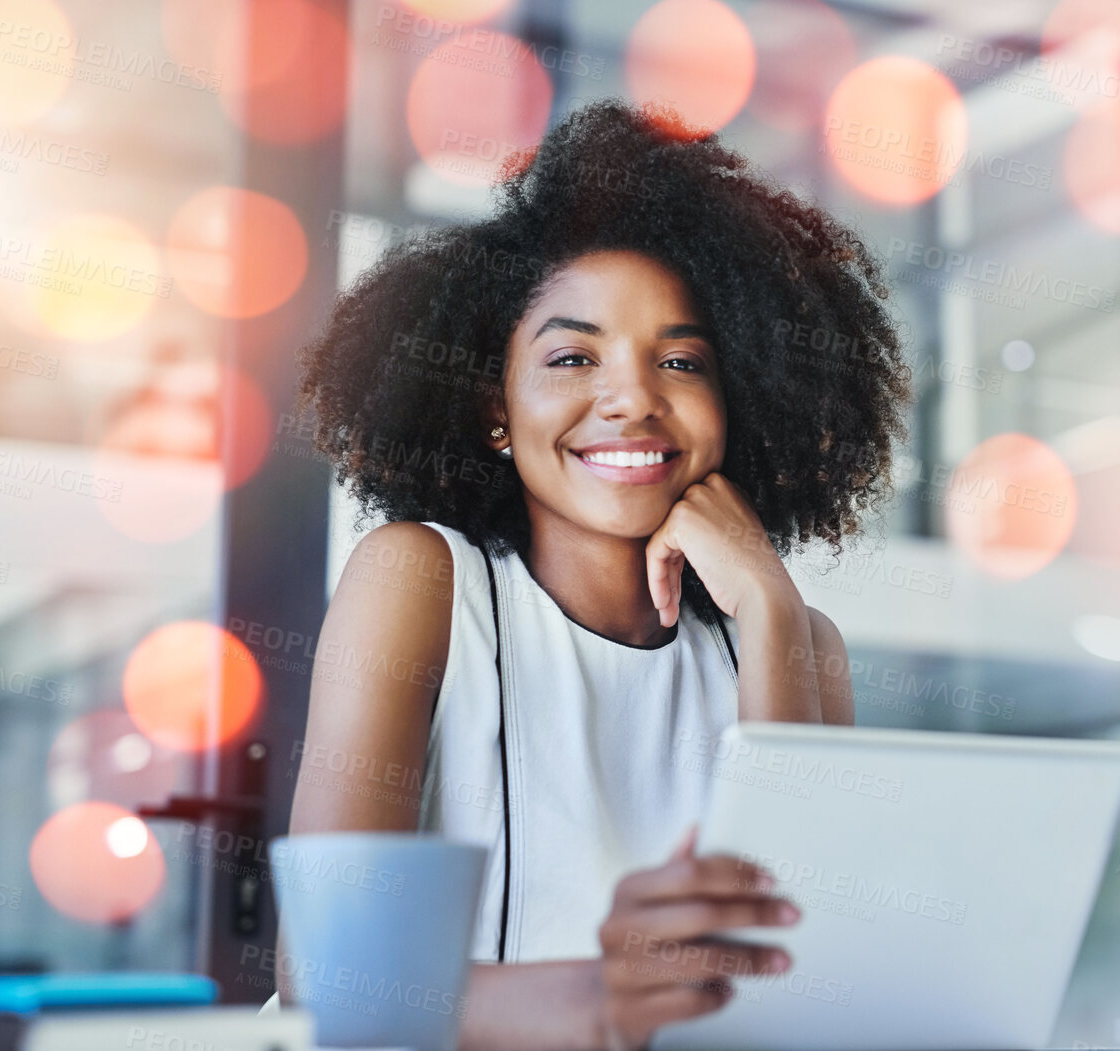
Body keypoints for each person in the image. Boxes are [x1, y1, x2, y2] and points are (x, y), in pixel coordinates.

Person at [284, 100, 911, 1050]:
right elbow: (327, 978)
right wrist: (606, 998)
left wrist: (771, 610)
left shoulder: (790, 634)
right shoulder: (423, 581)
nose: (631, 398)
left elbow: (794, 978)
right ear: (495, 409)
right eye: (573, 355)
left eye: (681, 361)